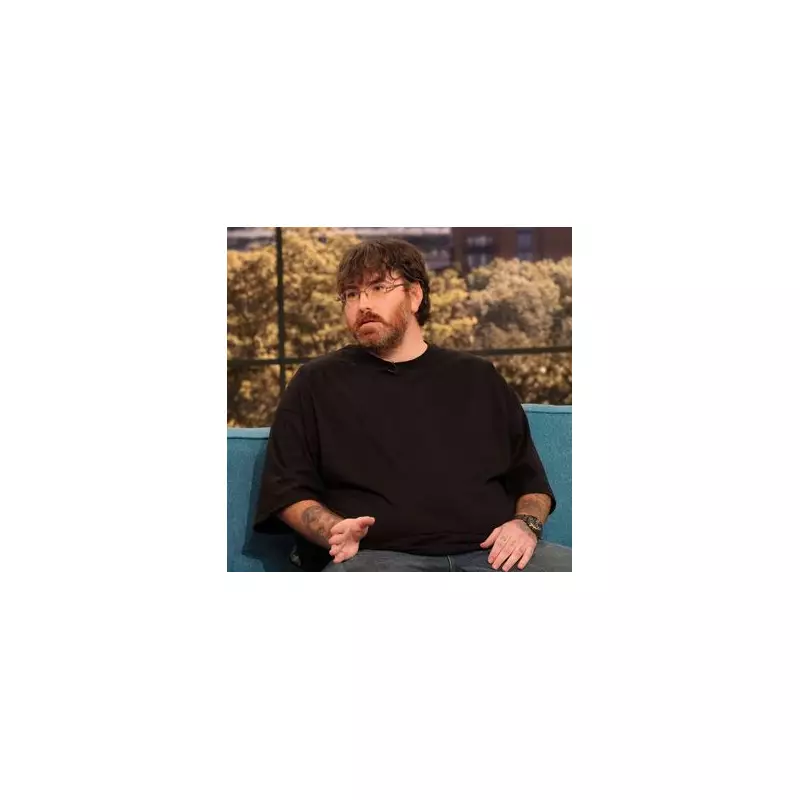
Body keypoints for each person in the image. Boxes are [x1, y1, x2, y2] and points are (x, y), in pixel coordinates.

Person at [253, 238, 571, 572]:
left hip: (494, 555)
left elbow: (531, 484)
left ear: (415, 295)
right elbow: (286, 492)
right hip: (376, 557)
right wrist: (333, 530)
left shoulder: (479, 377)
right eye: (351, 294)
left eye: (378, 288)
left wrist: (525, 525)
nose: (363, 304)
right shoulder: (315, 383)